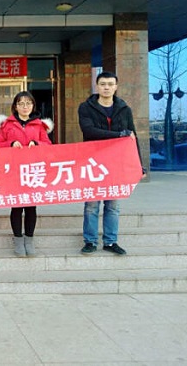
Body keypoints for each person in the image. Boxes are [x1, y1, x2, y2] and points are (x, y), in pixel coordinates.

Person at [78, 71, 146, 256]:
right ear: (97, 86)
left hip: (117, 163)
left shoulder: (124, 109)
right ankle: (90, 241)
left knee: (113, 205)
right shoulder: (86, 107)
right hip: (94, 163)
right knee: (92, 205)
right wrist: (118, 135)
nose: (106, 87)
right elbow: (89, 131)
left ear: (116, 87)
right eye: (103, 84)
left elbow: (132, 137)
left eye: (110, 84)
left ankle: (110, 241)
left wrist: (139, 164)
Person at [0, 91, 53, 257]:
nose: (25, 107)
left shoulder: (39, 125)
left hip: (33, 171)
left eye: (28, 103)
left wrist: (37, 143)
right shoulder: (7, 125)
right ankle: (18, 239)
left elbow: (48, 146)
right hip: (14, 171)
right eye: (21, 103)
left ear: (33, 106)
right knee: (17, 206)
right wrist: (11, 143)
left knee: (31, 206)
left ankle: (29, 239)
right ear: (15, 106)